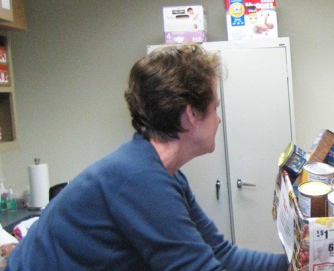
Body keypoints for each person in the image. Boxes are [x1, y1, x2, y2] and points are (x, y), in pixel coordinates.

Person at [6, 44, 288, 270]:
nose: (218, 120)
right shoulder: (140, 179)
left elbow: (222, 254)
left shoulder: (163, 172)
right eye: (214, 108)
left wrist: (298, 264)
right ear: (192, 114)